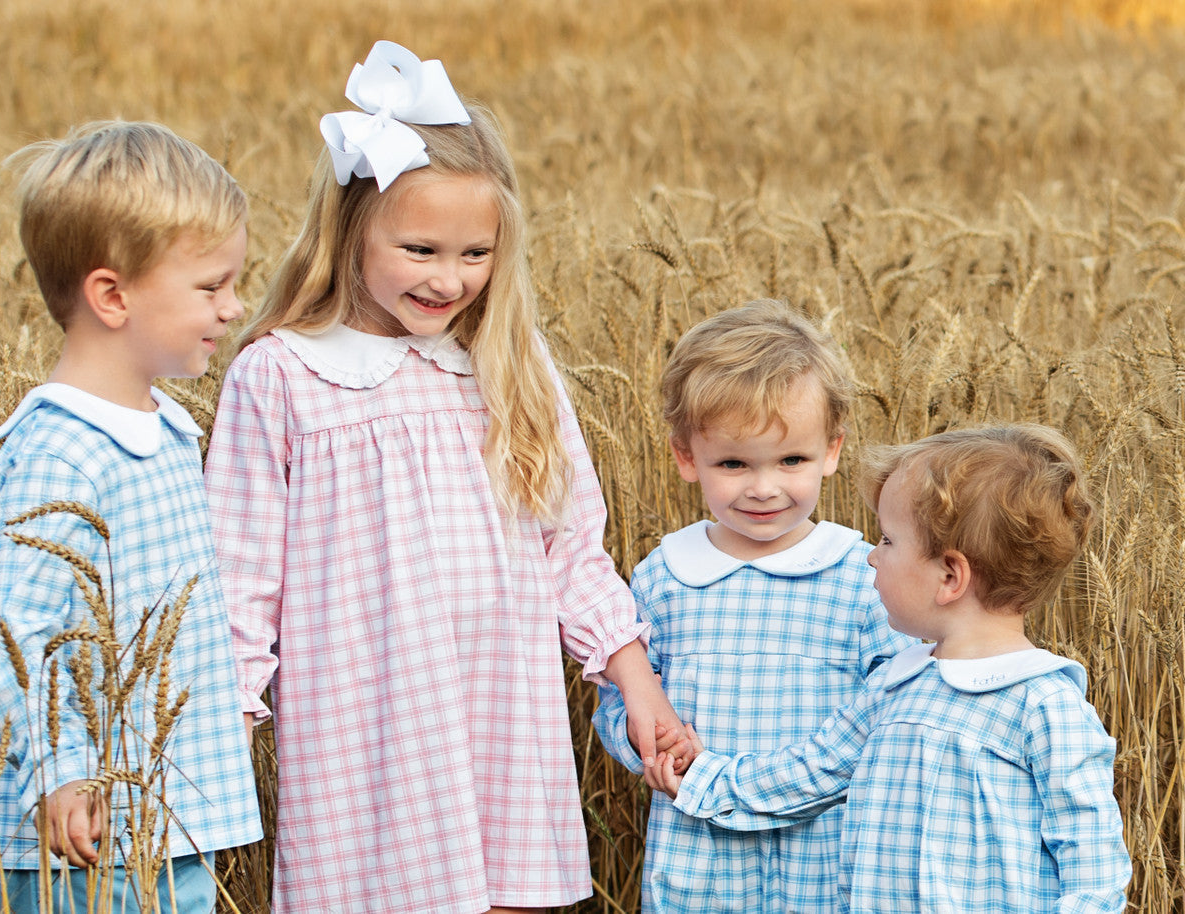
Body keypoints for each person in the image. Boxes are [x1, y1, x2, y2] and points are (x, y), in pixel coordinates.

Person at [203, 41, 686, 914]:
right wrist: (227, 719)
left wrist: (635, 680)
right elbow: (240, 575)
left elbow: (571, 546)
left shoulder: (507, 361)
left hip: (503, 704)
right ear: (351, 229)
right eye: (420, 248)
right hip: (368, 723)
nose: (450, 279)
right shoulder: (281, 375)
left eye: (476, 253)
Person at [654, 424, 1133, 912]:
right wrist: (702, 777)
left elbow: (1093, 869)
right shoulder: (894, 684)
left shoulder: (1044, 704)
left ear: (950, 576)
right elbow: (810, 771)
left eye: (887, 540)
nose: (870, 556)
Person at [0, 121, 263, 912]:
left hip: (164, 829)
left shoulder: (167, 429)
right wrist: (59, 771)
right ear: (112, 295)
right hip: (83, 843)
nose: (234, 307)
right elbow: (22, 631)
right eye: (211, 286)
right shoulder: (59, 453)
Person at [591, 300, 914, 912]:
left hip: (826, 856)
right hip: (698, 855)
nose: (763, 488)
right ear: (687, 457)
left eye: (791, 460)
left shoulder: (863, 575)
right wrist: (651, 750)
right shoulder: (665, 576)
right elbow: (621, 696)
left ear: (831, 450)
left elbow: (892, 703)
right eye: (734, 463)